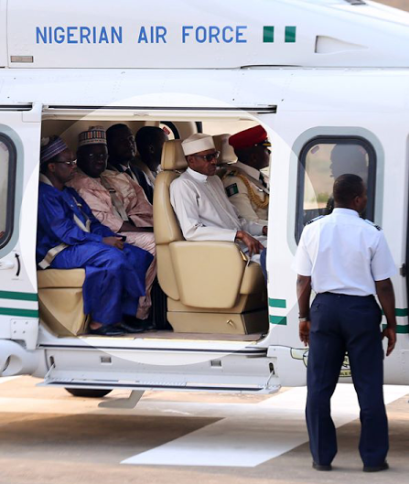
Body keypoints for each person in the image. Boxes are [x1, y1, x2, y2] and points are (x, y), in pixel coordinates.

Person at [294, 174, 397, 472]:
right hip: (361, 312)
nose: (365, 199)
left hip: (324, 309)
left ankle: (321, 457)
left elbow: (303, 280)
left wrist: (304, 317)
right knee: (368, 388)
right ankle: (374, 459)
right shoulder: (371, 233)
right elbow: (384, 285)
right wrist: (391, 324)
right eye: (364, 196)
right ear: (357, 200)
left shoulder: (313, 230)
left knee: (319, 387)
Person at [37, 136, 153, 336]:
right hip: (58, 251)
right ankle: (100, 322)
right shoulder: (44, 194)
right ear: (52, 167)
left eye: (74, 162)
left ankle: (123, 317)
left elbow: (94, 223)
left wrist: (113, 238)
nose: (74, 167)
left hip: (82, 246)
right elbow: (65, 231)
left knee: (137, 254)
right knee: (112, 258)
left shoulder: (69, 192)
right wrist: (102, 242)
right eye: (69, 163)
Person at [67, 127, 156, 323]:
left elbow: (141, 206)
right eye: (93, 155)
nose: (100, 160)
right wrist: (147, 230)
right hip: (104, 235)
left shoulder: (114, 177)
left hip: (127, 227)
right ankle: (139, 312)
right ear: (80, 156)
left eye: (103, 155)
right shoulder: (79, 184)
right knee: (154, 243)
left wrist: (156, 225)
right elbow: (108, 223)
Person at [170, 133, 267, 259]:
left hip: (240, 244)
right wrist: (238, 235)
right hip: (222, 250)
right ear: (191, 160)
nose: (214, 161)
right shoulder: (182, 184)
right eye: (208, 157)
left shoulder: (214, 180)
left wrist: (262, 229)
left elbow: (237, 221)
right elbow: (192, 231)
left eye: (215, 155)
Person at [222, 125, 270, 224]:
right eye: (265, 148)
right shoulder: (235, 181)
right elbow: (248, 221)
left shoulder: (259, 177)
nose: (269, 152)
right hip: (258, 235)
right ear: (254, 157)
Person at [106, 123, 154, 203]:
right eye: (122, 140)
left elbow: (153, 200)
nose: (129, 144)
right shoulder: (108, 175)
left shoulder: (139, 172)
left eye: (131, 139)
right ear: (109, 146)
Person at [134, 126, 168, 200]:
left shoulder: (159, 170)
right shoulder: (140, 177)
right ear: (152, 149)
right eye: (166, 146)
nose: (169, 149)